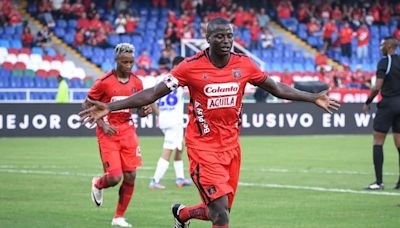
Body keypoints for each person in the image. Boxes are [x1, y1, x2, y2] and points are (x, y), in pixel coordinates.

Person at [80, 18, 340, 228]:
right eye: (219, 36)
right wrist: (111, 106)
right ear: (208, 38)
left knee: (219, 210)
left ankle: (182, 215)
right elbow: (153, 92)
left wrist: (312, 97)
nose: (225, 41)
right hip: (203, 148)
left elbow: (276, 88)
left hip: (231, 149)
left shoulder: (244, 64)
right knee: (222, 217)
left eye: (229, 35)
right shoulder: (189, 67)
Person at [83, 43, 153, 227]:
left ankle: (118, 217)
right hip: (108, 132)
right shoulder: (104, 82)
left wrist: (143, 112)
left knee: (130, 176)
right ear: (116, 61)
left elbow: (138, 108)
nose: (128, 65)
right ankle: (98, 183)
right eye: (124, 62)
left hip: (128, 131)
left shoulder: (137, 82)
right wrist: (101, 124)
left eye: (131, 62)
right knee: (114, 177)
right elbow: (87, 103)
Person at [363, 37, 400, 190]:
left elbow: (378, 86)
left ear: (389, 46)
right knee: (399, 144)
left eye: (382, 44)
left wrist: (368, 101)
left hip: (388, 104)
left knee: (378, 141)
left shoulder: (385, 62)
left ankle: (379, 182)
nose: (380, 47)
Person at [149, 56, 191, 189]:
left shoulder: (160, 79)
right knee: (168, 149)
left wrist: (159, 114)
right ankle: (155, 181)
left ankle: (180, 179)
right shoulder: (180, 79)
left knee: (180, 147)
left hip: (165, 119)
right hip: (174, 121)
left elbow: (151, 99)